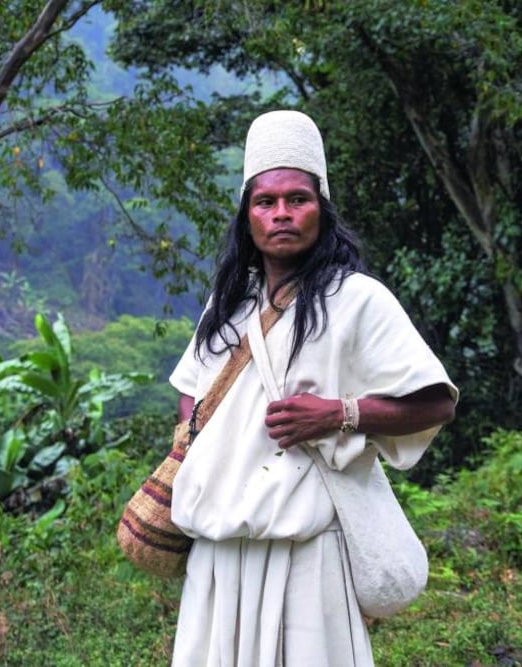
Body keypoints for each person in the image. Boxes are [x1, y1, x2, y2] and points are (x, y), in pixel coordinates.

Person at [167, 109, 458, 666]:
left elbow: (436, 402)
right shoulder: (229, 304)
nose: (281, 213)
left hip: (308, 553)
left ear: (321, 208)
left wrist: (338, 414)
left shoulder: (358, 300)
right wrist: (196, 444)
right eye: (265, 202)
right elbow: (191, 388)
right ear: (247, 216)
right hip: (218, 554)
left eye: (297, 199)